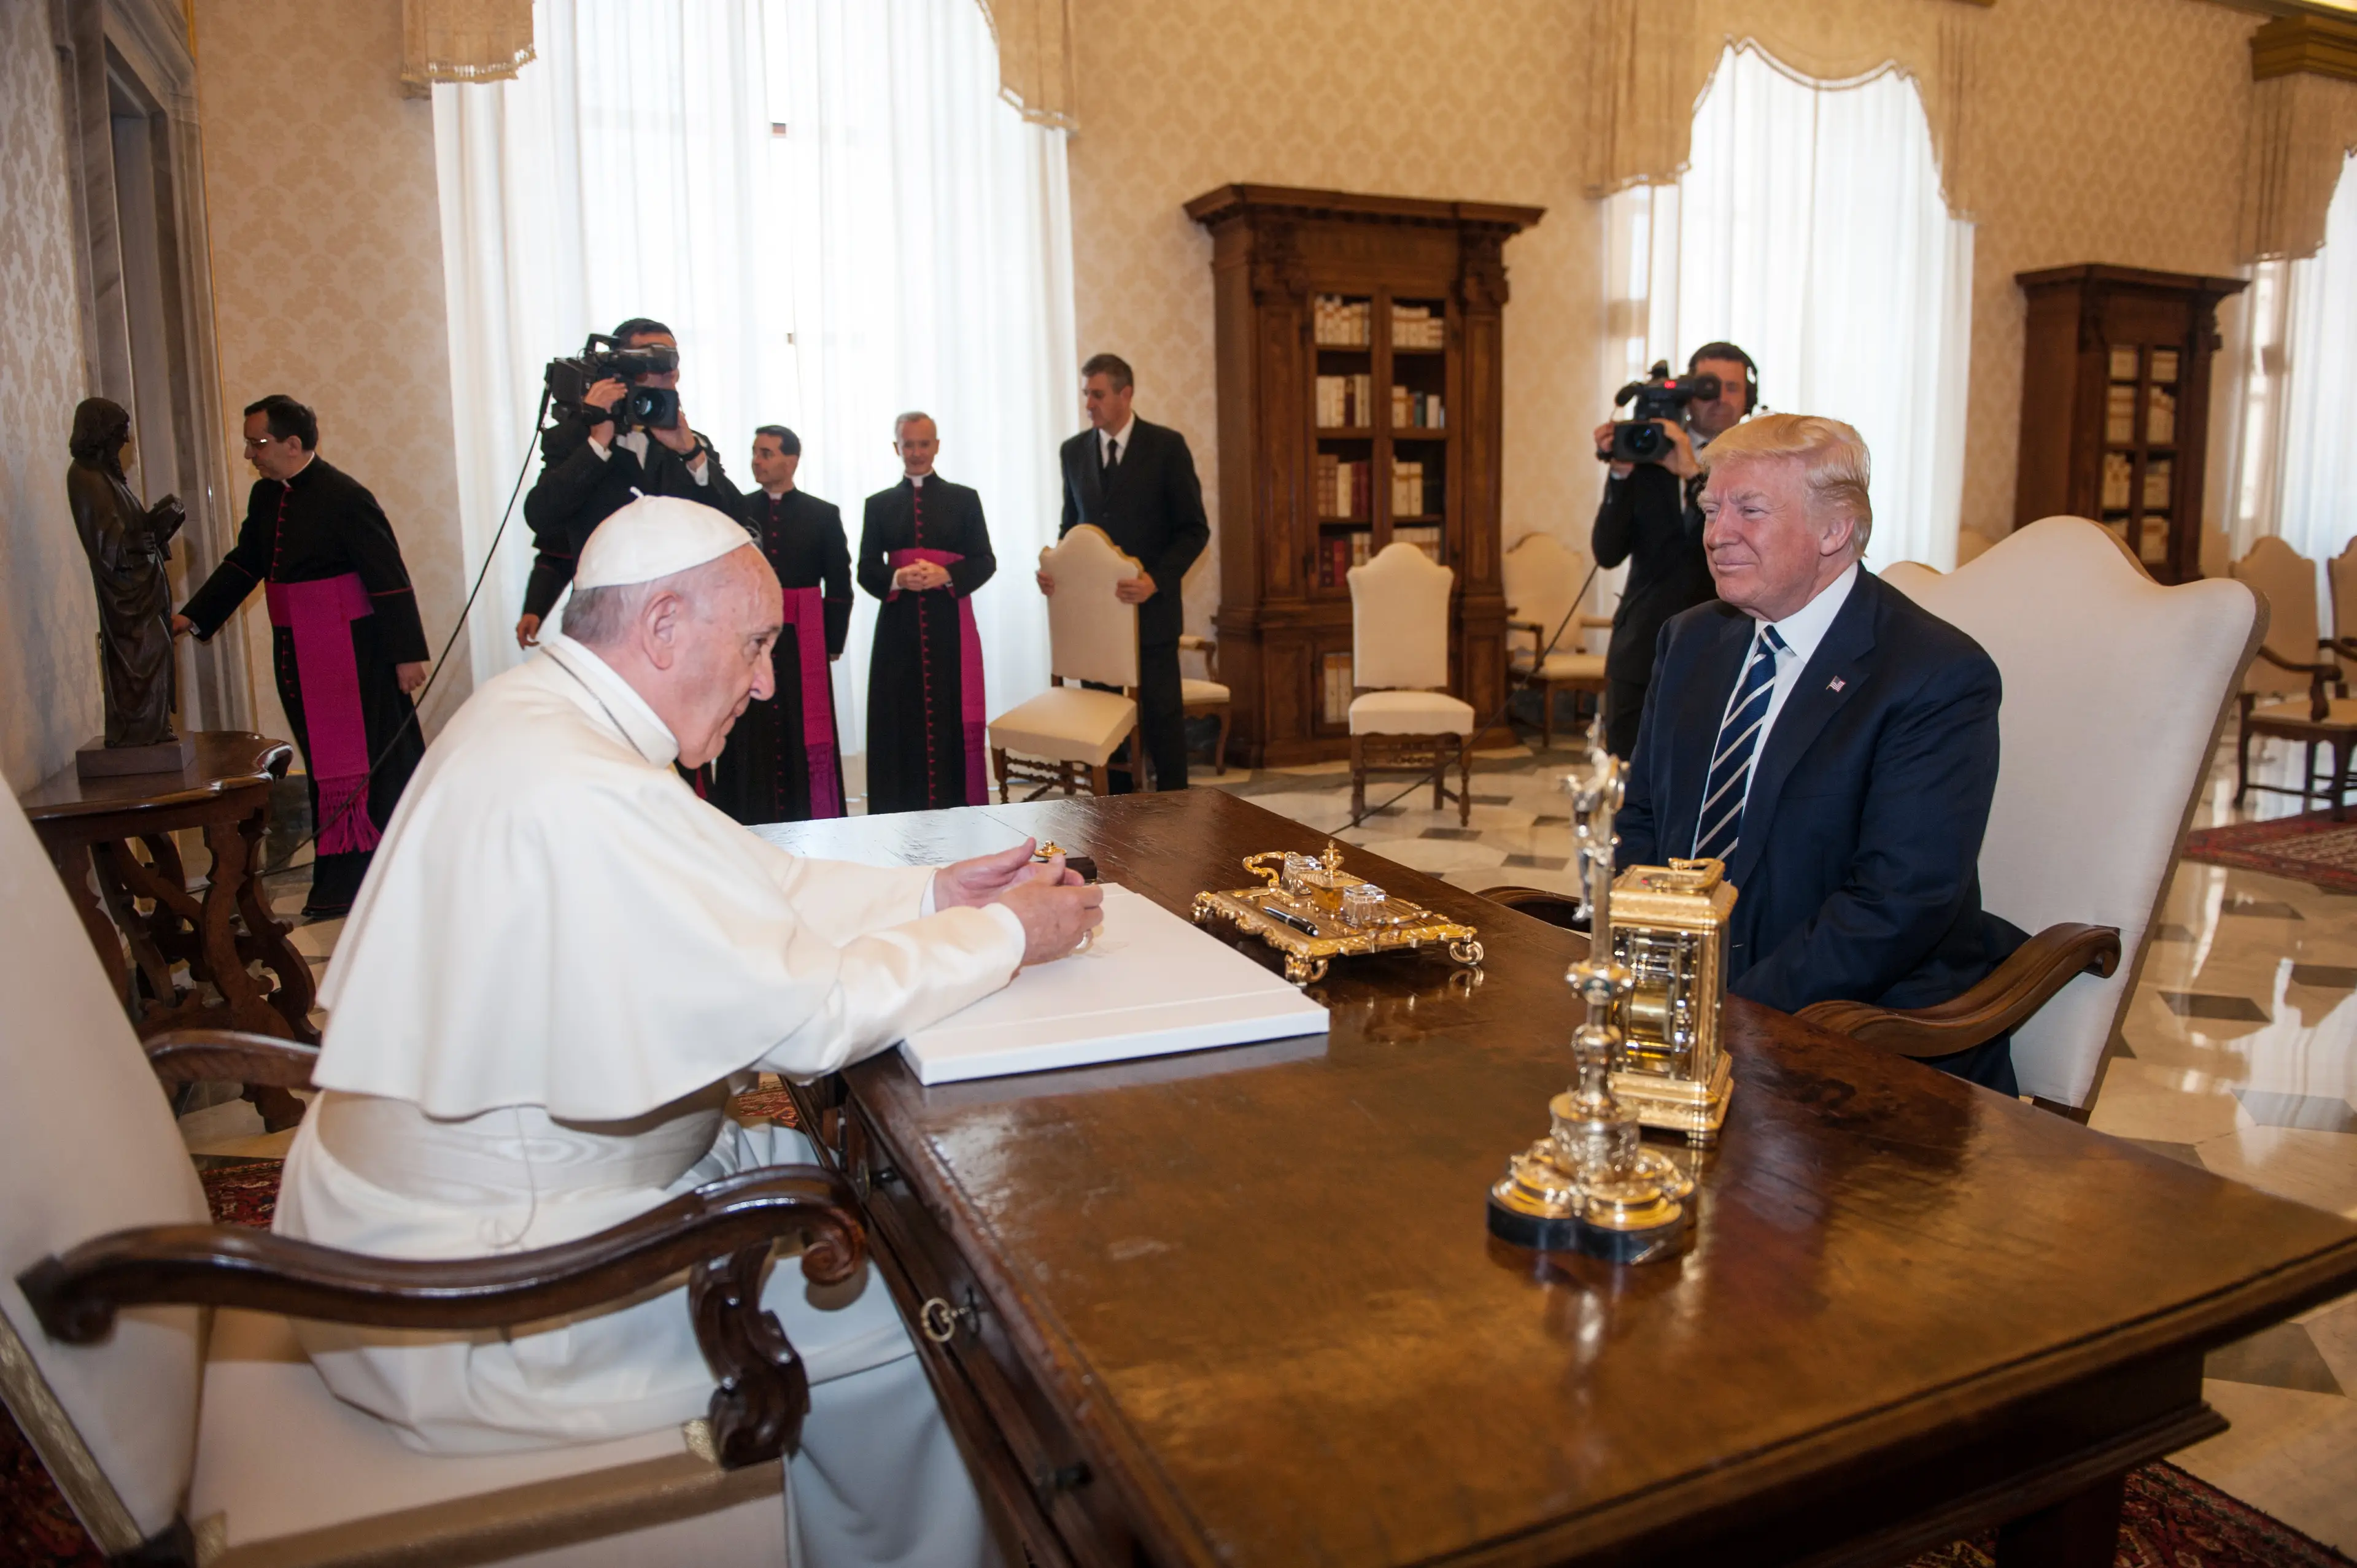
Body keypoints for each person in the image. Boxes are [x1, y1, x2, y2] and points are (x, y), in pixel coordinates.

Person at [274, 494, 1102, 1568]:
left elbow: (755, 884)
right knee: (944, 1318)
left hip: (493, 1205)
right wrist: (1005, 935)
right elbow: (816, 1016)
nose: (767, 682)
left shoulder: (545, 717)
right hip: (491, 1302)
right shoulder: (581, 783)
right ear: (663, 625)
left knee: (876, 1198)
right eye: (757, 645)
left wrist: (936, 894)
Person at [1613, 413, 2027, 1092]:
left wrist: (1727, 1008)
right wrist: (1654, 970)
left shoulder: (1935, 673)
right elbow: (1644, 822)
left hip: (1862, 1042)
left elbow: (1897, 902)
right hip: (1685, 1015)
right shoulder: (1689, 640)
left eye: (1749, 510)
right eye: (1712, 508)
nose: (1717, 535)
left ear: (1834, 530)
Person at [174, 395, 428, 919]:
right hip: (296, 650)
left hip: (356, 655)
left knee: (372, 769)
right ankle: (343, 882)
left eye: (258, 442)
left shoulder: (345, 496)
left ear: (294, 444)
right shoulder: (268, 497)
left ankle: (384, 880)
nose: (250, 454)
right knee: (326, 769)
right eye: (248, 442)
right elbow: (247, 564)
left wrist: (407, 656)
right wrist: (192, 616)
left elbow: (388, 577)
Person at [516, 316, 738, 651]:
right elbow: (542, 516)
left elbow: (737, 521)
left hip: (683, 621)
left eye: (671, 360)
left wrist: (691, 453)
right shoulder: (576, 440)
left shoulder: (691, 444)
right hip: (604, 624)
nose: (665, 370)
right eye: (650, 359)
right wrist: (597, 443)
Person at [1040, 353, 1210, 790]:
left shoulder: (1167, 447)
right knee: (1104, 730)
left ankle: (1177, 815)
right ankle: (1114, 821)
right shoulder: (1073, 452)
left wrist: (1155, 579)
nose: (1089, 405)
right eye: (1086, 395)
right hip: (1095, 623)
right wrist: (1056, 572)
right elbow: (1070, 528)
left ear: (1125, 394)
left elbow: (1194, 530)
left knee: (1162, 723)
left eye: (1097, 395)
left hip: (1150, 617)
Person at [1590, 342, 1758, 757]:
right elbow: (1607, 552)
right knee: (1628, 785)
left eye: (1732, 387)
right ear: (1687, 393)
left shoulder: (1763, 464)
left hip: (1727, 650)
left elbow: (1753, 544)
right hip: (1641, 648)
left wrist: (1692, 473)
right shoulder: (1648, 450)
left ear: (1747, 398)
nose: (1719, 397)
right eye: (1708, 386)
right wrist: (1621, 473)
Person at [707, 425, 853, 824]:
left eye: (767, 453)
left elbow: (839, 584)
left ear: (792, 460)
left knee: (800, 729)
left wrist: (833, 642)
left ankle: (806, 816)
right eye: (755, 452)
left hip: (801, 642)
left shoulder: (822, 514)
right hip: (749, 640)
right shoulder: (739, 510)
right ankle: (746, 816)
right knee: (748, 726)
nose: (757, 460)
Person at [859, 412, 995, 814]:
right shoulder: (879, 505)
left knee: (948, 716)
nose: (916, 453)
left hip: (949, 628)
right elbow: (866, 568)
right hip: (897, 633)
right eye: (908, 444)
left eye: (924, 444)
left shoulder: (964, 499)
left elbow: (985, 560)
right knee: (899, 721)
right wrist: (898, 577)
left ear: (937, 446)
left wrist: (946, 574)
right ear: (896, 448)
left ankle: (956, 809)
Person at [67, 398, 185, 749]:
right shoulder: (86, 478)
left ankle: (151, 728)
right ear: (101, 432)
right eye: (120, 432)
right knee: (147, 652)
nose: (126, 441)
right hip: (125, 598)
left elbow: (130, 530)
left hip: (142, 591)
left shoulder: (107, 478)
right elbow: (107, 544)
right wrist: (146, 534)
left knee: (158, 651)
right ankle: (138, 732)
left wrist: (159, 523)